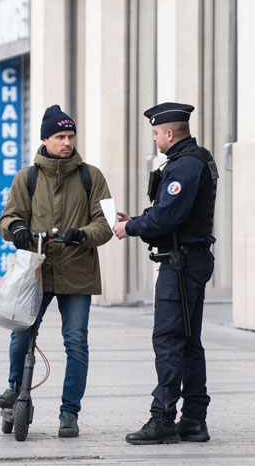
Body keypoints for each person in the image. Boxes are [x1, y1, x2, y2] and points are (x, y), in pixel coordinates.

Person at [0, 105, 112, 438]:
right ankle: (15, 388)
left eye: (71, 136)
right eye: (60, 136)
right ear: (45, 139)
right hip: (38, 271)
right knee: (21, 332)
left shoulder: (92, 176)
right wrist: (17, 229)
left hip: (78, 273)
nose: (67, 143)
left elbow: (106, 223)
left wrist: (83, 234)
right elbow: (7, 218)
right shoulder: (27, 178)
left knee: (76, 343)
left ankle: (69, 413)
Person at [113, 102, 217, 445]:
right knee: (187, 341)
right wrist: (139, 221)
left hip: (182, 264)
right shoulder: (191, 161)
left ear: (169, 133)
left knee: (170, 340)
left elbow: (167, 218)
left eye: (157, 133)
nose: (155, 139)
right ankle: (194, 420)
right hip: (188, 258)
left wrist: (131, 228)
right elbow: (170, 215)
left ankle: (163, 419)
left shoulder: (185, 166)